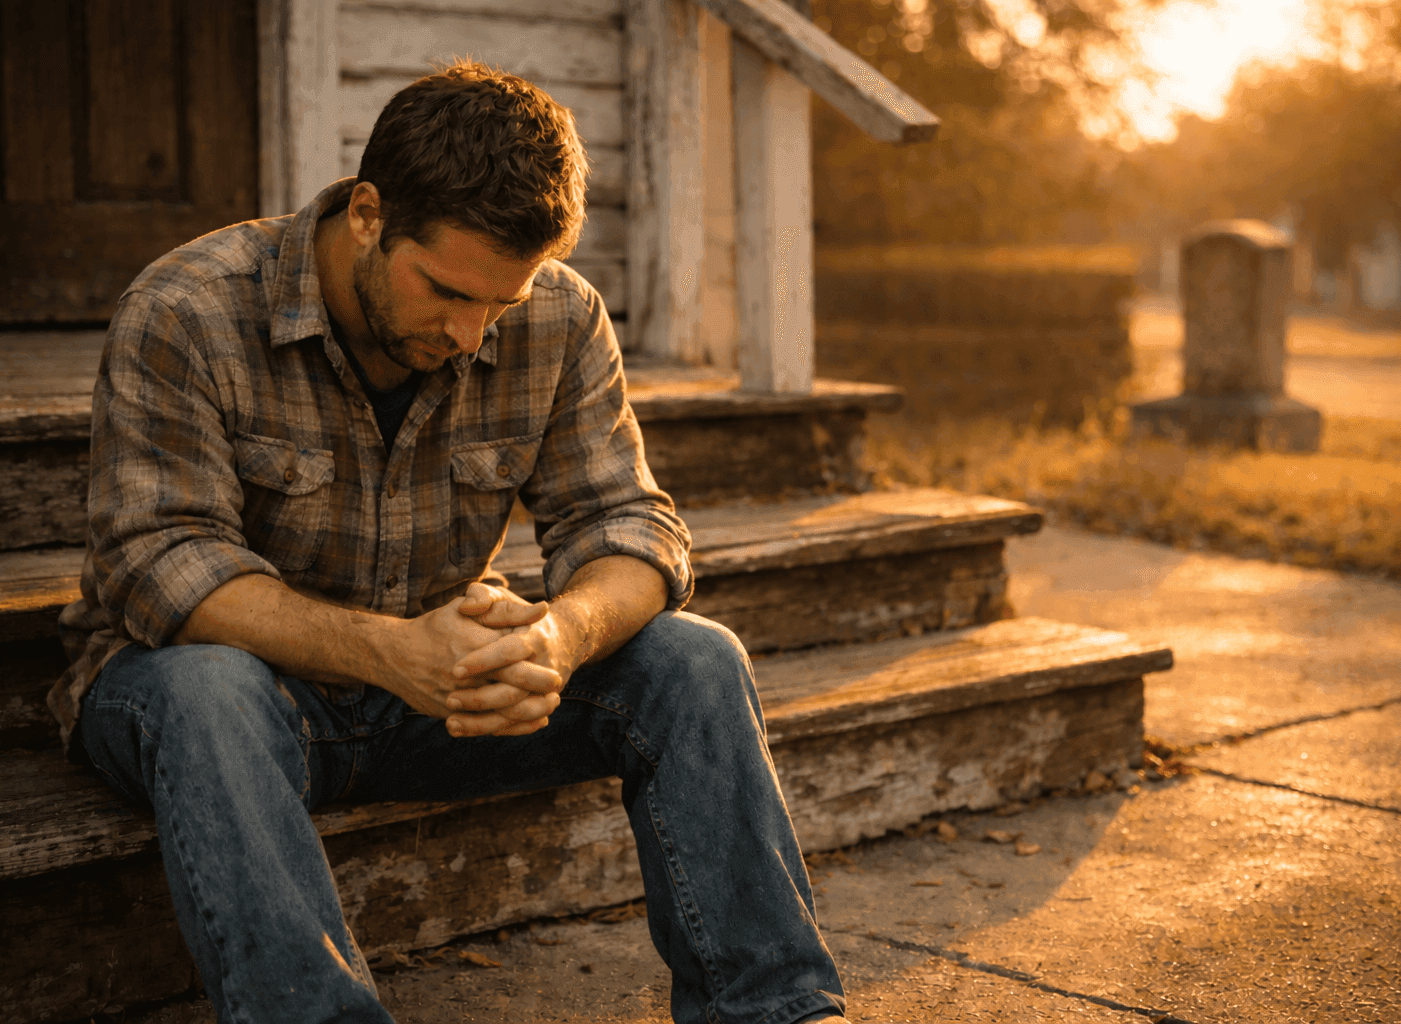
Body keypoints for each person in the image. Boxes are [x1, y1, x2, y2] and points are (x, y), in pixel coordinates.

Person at [50, 60, 849, 1024]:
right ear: (369, 214)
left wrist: (558, 638)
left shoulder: (561, 315)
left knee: (694, 659)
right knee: (206, 687)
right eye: (446, 292)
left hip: (440, 698)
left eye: (499, 305)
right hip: (217, 699)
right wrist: (392, 652)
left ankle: (774, 1013)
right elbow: (158, 566)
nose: (471, 335)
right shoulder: (189, 308)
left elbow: (629, 526)